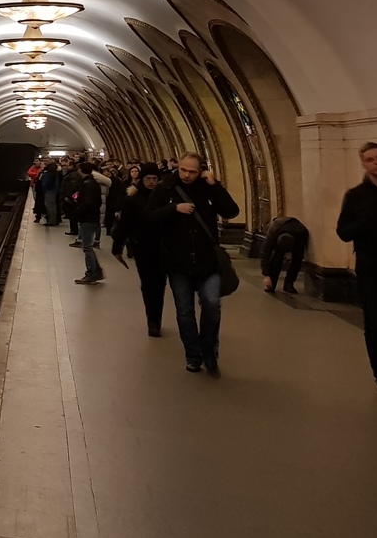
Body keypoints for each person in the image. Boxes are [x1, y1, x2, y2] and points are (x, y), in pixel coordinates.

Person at [147, 153, 239, 375]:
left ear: (201, 171)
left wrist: (214, 185)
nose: (187, 175)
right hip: (177, 261)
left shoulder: (207, 188)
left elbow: (231, 211)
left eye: (192, 171)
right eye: (183, 170)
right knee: (185, 310)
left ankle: (209, 350)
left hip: (207, 260)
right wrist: (173, 209)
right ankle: (194, 355)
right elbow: (148, 217)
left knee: (211, 304)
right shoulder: (165, 188)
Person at [335, 142, 377, 394]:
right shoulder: (356, 196)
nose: (376, 163)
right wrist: (364, 223)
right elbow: (343, 232)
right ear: (363, 164)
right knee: (373, 321)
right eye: (370, 159)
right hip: (370, 266)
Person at [116, 166, 165, 334]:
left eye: (154, 179)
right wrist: (117, 247)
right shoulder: (133, 200)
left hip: (163, 246)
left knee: (160, 284)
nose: (151, 182)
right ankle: (152, 319)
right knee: (149, 283)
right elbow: (124, 225)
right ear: (142, 180)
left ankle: (156, 317)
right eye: (148, 179)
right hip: (142, 247)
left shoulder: (165, 198)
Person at [71, 160, 112, 285]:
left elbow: (87, 203)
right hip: (92, 217)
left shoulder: (88, 184)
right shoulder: (93, 183)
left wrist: (78, 211)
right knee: (88, 246)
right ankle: (97, 271)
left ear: (81, 171)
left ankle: (92, 273)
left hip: (87, 219)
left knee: (87, 247)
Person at [259, 214, 308, 295]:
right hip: (279, 230)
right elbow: (265, 254)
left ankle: (289, 283)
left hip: (295, 235)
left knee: (297, 260)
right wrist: (266, 275)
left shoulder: (302, 233)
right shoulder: (273, 233)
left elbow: (298, 259)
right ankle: (272, 283)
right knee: (276, 259)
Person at [39, 161, 62, 226]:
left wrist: (44, 188)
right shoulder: (56, 173)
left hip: (49, 191)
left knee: (50, 206)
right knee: (52, 206)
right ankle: (54, 220)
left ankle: (52, 221)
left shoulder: (48, 174)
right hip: (53, 191)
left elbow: (46, 183)